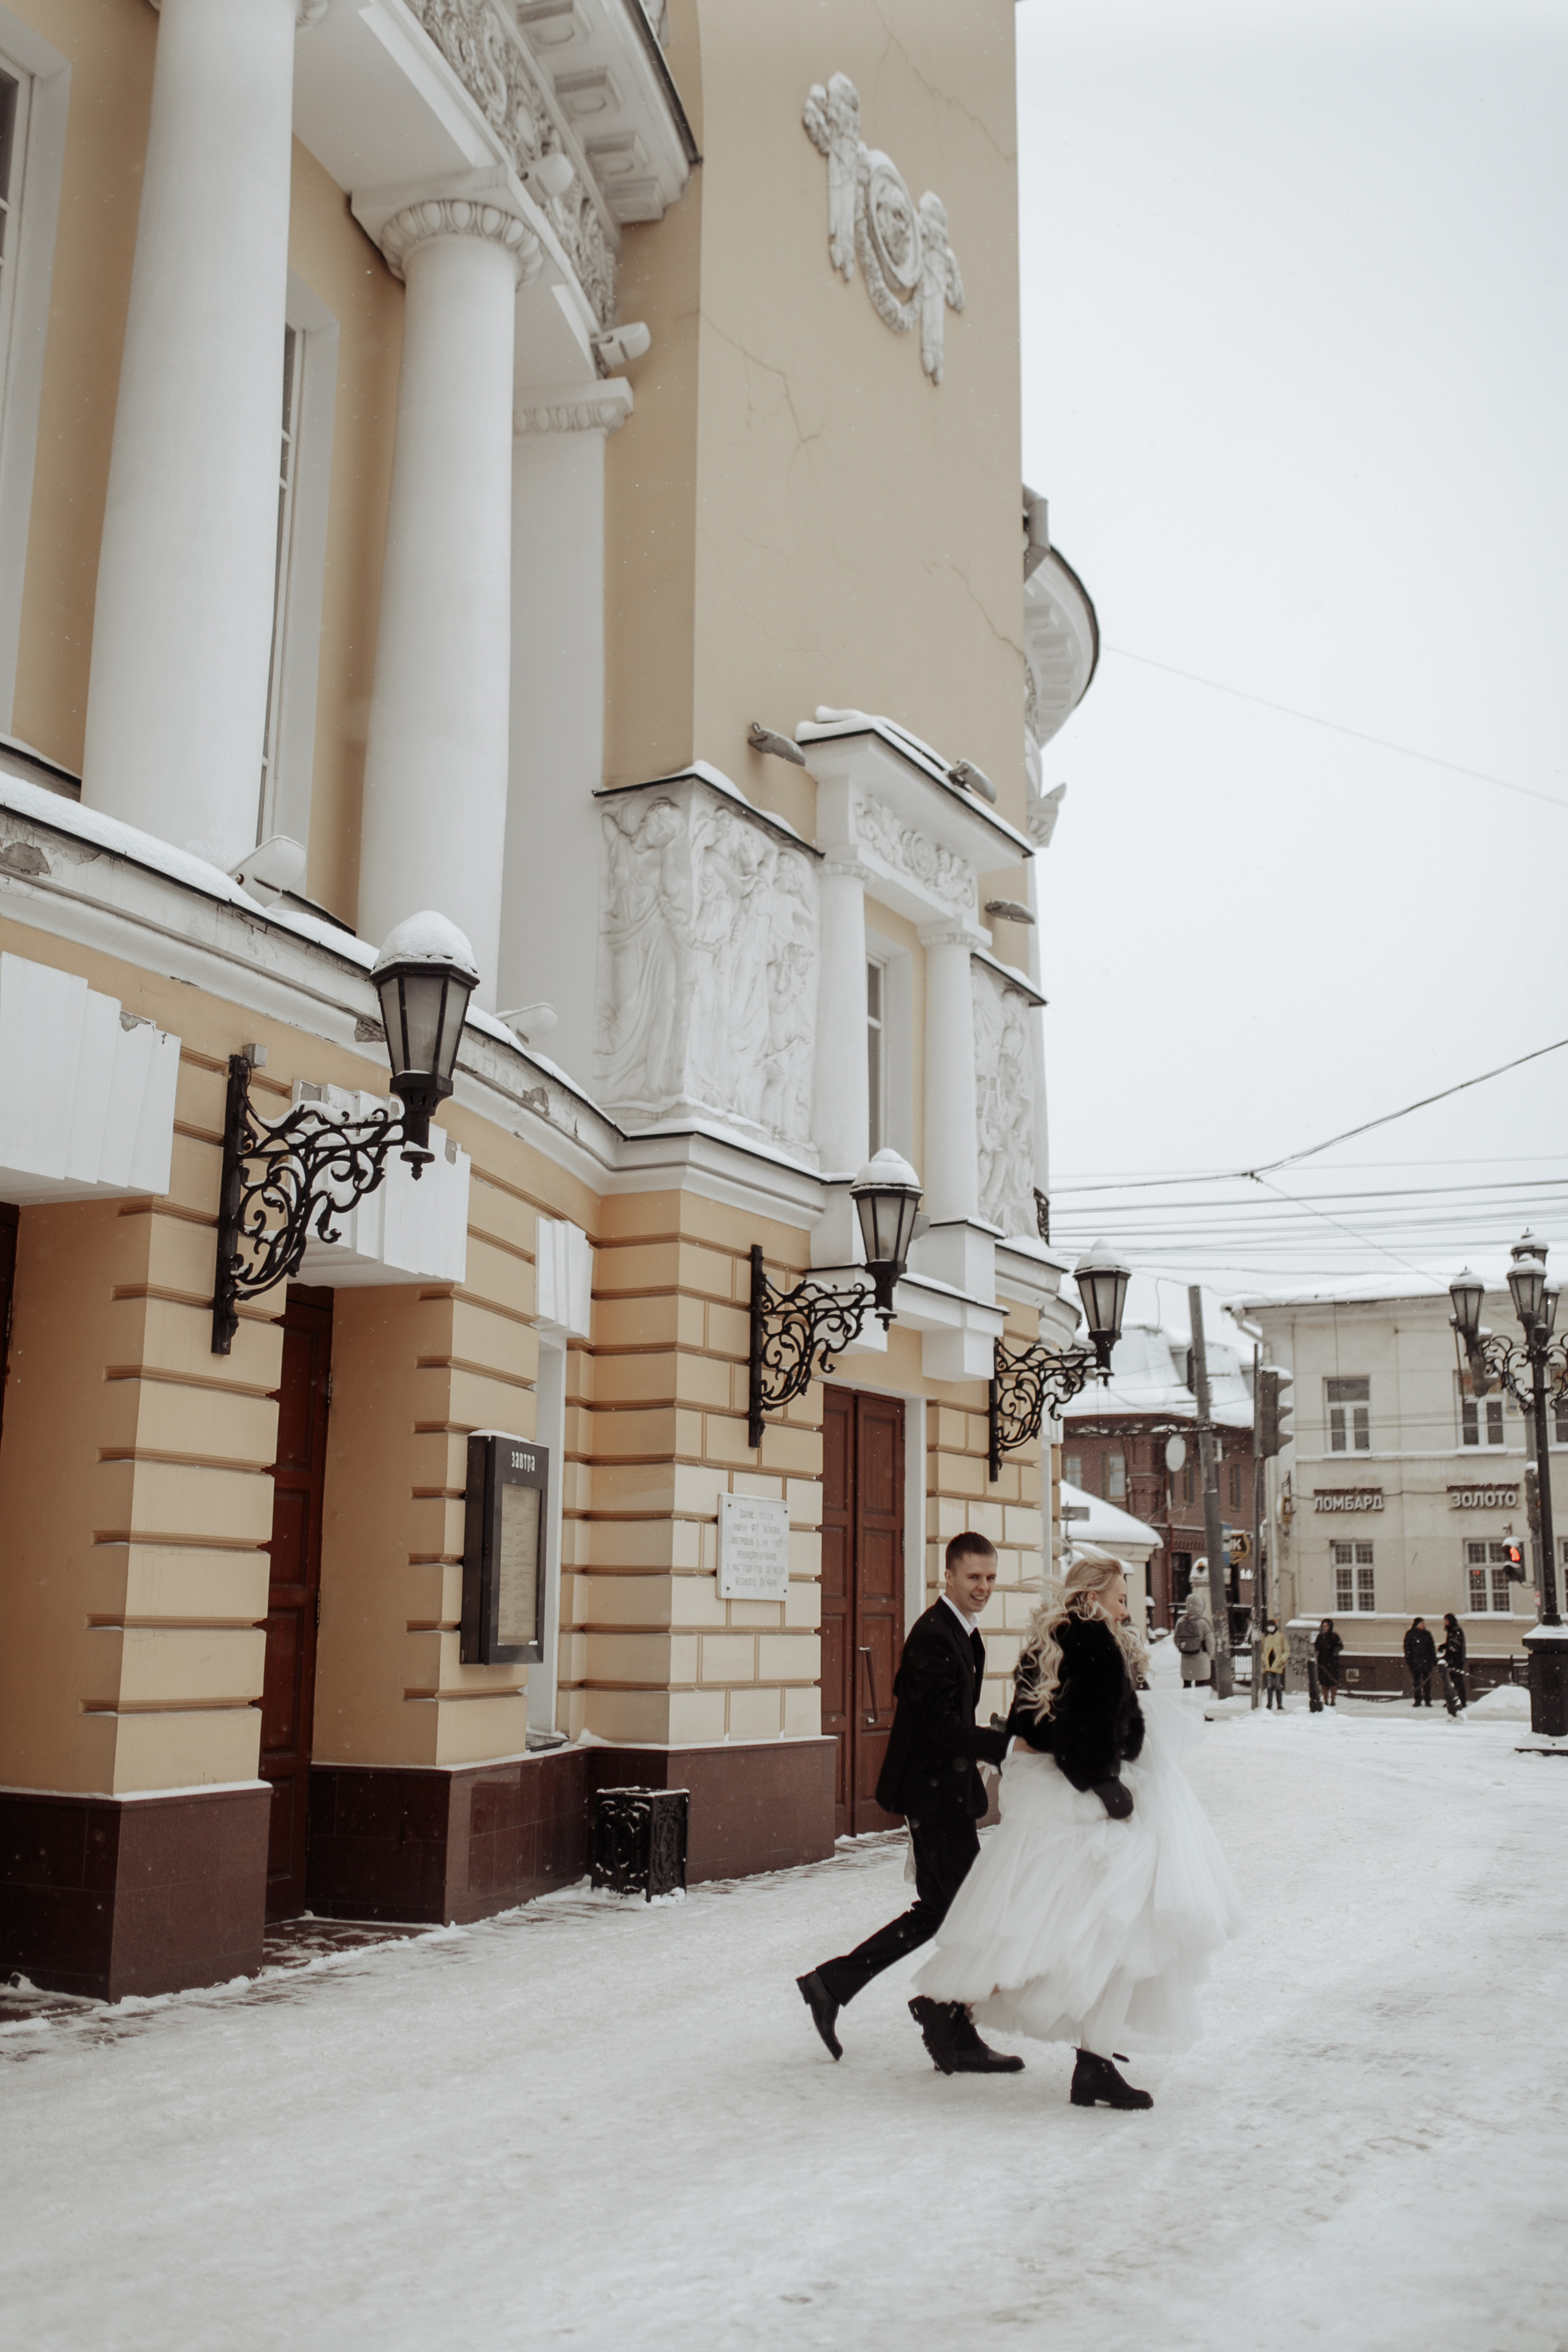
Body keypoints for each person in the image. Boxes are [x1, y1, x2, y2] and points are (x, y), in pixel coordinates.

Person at [911, 1553, 1242, 2111]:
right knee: (1103, 1928)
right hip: (1082, 1804)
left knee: (1050, 1924)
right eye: (1119, 1595)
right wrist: (1105, 1780)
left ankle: (979, 2012)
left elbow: (1032, 1721)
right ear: (1093, 1595)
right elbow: (1086, 1730)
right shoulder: (1090, 1639)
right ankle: (1085, 2060)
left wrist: (1116, 1744)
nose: (1125, 1604)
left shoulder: (1055, 1638)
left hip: (1055, 1798)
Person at [796, 1531, 1020, 2075]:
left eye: (991, 1578)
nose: (983, 1588)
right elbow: (944, 1727)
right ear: (948, 1576)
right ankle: (948, 2023)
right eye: (973, 1578)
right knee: (968, 1913)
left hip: (944, 1792)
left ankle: (834, 1985)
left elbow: (949, 1718)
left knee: (944, 1911)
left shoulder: (964, 1633)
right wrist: (1007, 1745)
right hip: (933, 1795)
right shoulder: (934, 1636)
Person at [1173, 1590, 1213, 1692]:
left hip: (1186, 1659)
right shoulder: (1204, 1623)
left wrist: (1184, 1648)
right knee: (1201, 1687)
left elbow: (1176, 1639)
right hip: (1201, 1659)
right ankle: (1199, 1706)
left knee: (1187, 1686)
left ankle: (1187, 1704)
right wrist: (1209, 1654)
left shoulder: (1181, 1621)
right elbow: (1211, 1642)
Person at [1403, 1616, 1437, 1708]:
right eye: (1421, 1624)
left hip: (1427, 1662)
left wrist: (1434, 1659)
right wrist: (1409, 1660)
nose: (1423, 1625)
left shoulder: (1427, 1634)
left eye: (1424, 1624)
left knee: (1427, 1682)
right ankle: (1417, 1700)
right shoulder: (1410, 1634)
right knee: (1417, 1682)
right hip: (1415, 1662)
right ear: (1417, 1625)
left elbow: (1431, 1648)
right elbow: (1407, 1649)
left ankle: (1428, 1700)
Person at [1439, 1611, 1468, 1713]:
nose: (1445, 1623)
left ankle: (1461, 1701)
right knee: (1452, 1681)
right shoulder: (1453, 1630)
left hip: (1456, 1661)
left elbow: (1455, 1646)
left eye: (1446, 1621)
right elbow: (1451, 1644)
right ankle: (1454, 1700)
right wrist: (1444, 1647)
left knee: (1457, 1681)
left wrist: (1447, 1656)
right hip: (1454, 1660)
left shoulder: (1456, 1630)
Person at [1314, 1617, 1343, 1706]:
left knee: (1333, 1682)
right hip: (1322, 1663)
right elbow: (1317, 1646)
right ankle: (1325, 1699)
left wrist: (1334, 1652)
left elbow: (1340, 1646)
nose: (1325, 1628)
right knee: (1324, 1682)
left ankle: (1333, 1699)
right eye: (1324, 1626)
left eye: (1327, 1626)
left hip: (1332, 1663)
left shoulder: (1334, 1636)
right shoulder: (1320, 1637)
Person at [1260, 1619, 1288, 1711]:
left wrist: (1281, 1660)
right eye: (1269, 1626)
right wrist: (1264, 1659)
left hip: (1278, 1665)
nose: (1270, 1628)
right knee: (1269, 1686)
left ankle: (1279, 1704)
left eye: (1272, 1626)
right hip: (1268, 1665)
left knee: (1278, 1686)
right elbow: (1262, 1650)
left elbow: (1287, 1650)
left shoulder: (1280, 1637)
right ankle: (1269, 1704)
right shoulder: (1265, 1637)